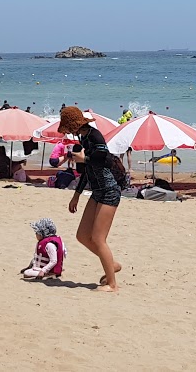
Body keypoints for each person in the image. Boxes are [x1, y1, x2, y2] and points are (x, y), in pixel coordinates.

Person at [58, 105, 122, 292]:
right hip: (97, 191)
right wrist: (76, 196)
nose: (68, 132)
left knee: (98, 238)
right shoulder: (83, 138)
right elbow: (86, 172)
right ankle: (112, 264)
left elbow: (103, 155)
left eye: (68, 128)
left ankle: (112, 284)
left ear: (73, 125)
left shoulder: (94, 135)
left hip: (109, 190)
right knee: (82, 236)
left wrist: (83, 159)